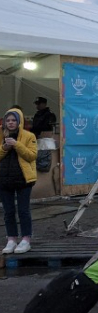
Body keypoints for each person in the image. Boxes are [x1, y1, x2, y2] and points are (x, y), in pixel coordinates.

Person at [1, 109, 37, 255]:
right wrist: (4, 147)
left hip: (23, 179)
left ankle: (26, 239)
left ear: (19, 121)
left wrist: (17, 144)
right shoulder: (1, 135)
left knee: (23, 210)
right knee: (8, 212)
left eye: (13, 120)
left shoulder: (29, 136)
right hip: (4, 180)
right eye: (8, 120)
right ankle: (11, 239)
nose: (10, 123)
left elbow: (32, 155)